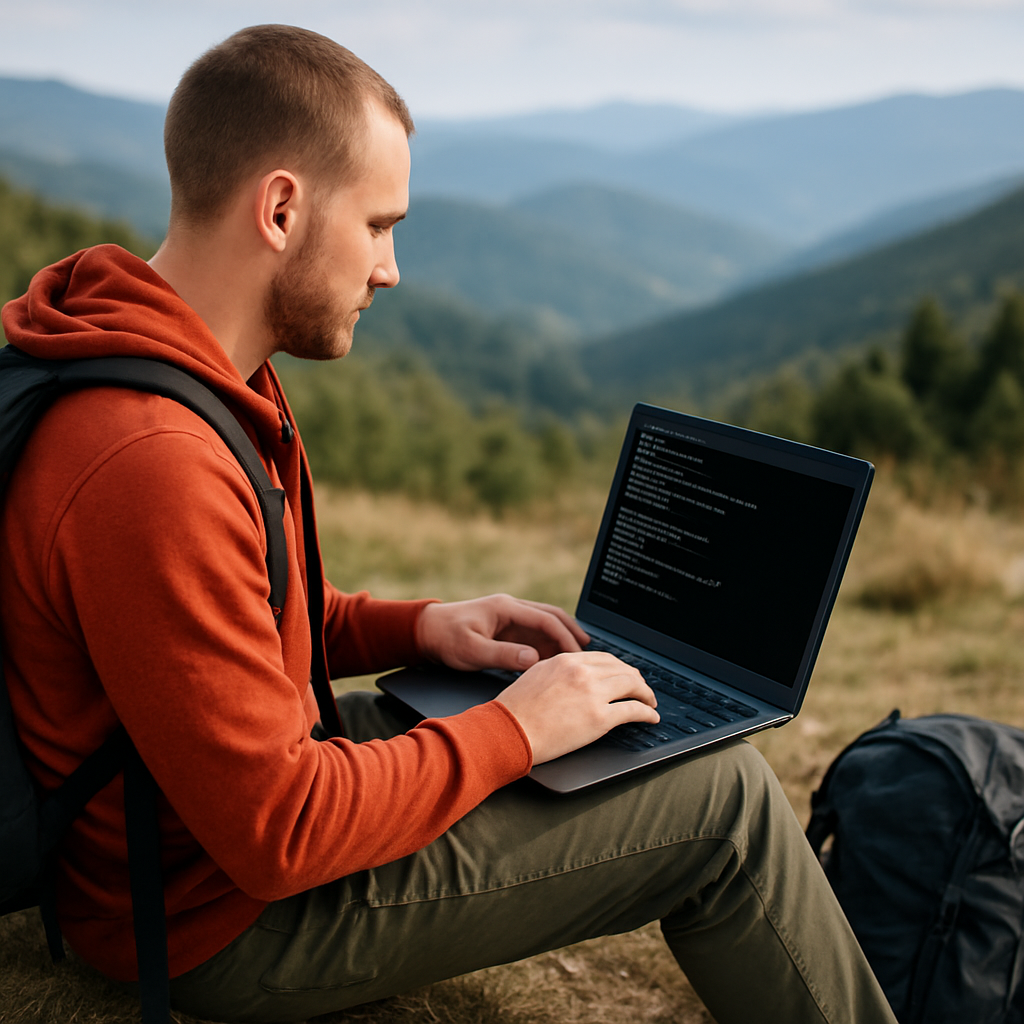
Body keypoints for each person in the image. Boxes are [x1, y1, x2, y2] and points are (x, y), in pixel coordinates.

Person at [0, 24, 897, 1024]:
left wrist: (422, 627)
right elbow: (278, 829)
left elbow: (231, 624)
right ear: (283, 208)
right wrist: (516, 729)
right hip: (214, 917)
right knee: (723, 800)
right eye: (379, 224)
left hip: (182, 835)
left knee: (538, 718)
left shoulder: (173, 363)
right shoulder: (151, 456)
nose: (389, 269)